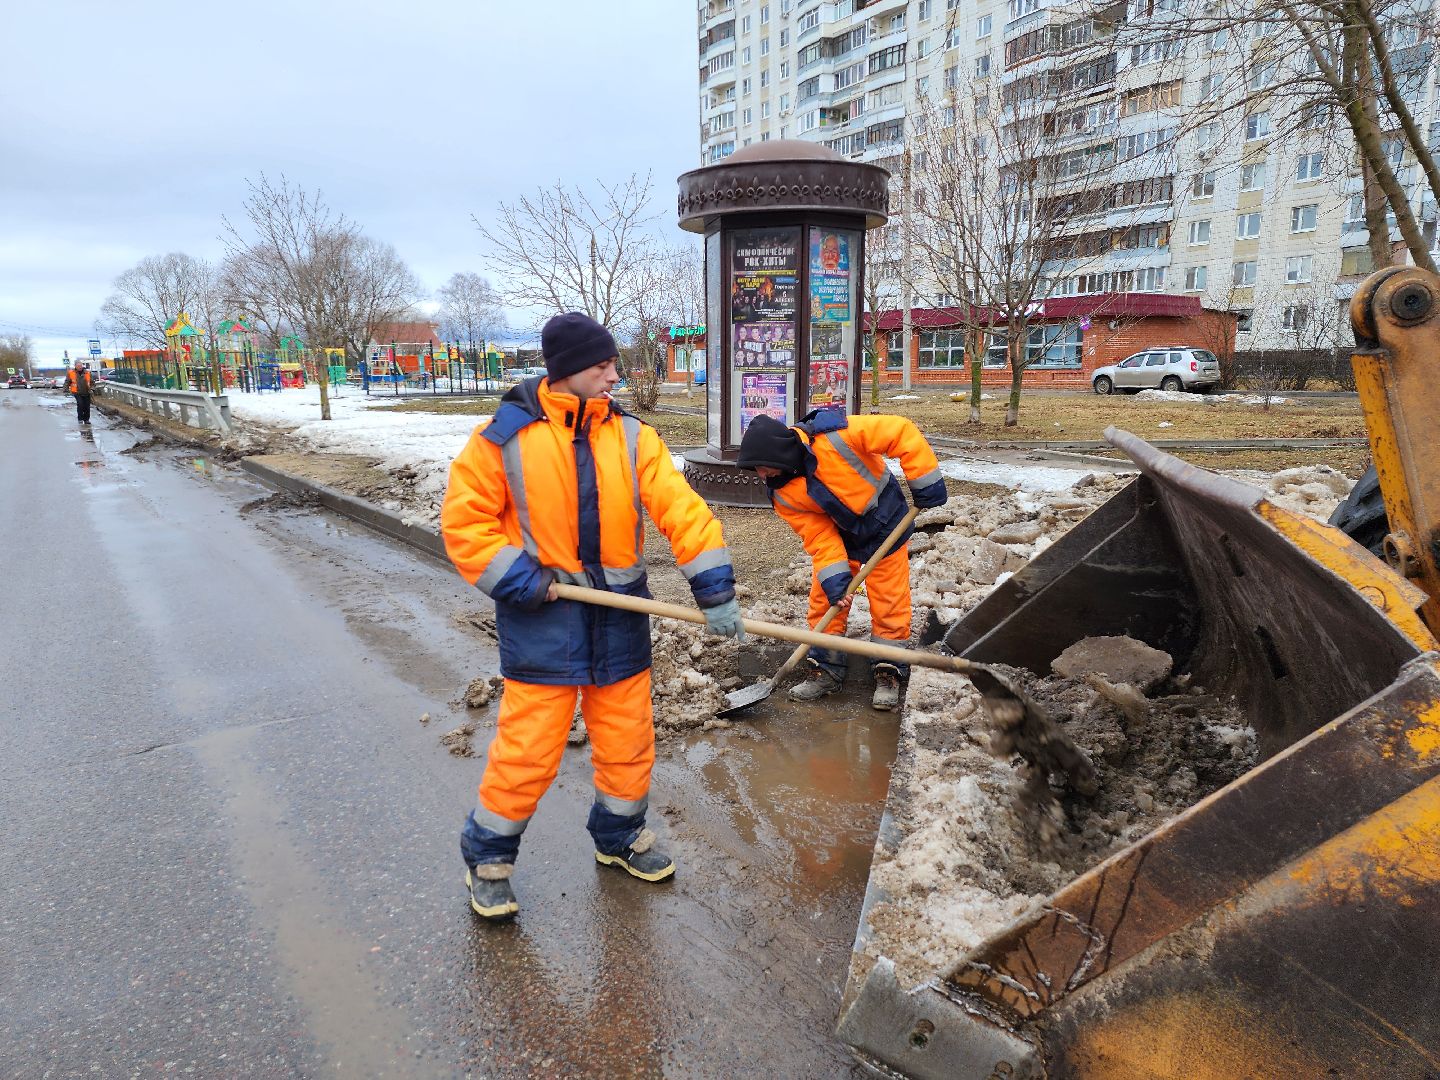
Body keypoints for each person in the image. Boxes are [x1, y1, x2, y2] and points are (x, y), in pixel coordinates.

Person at [441, 311, 747, 921]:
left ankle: (619, 837)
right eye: (602, 364)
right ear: (569, 369)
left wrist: (714, 589)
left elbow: (681, 510)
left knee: (628, 741)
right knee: (529, 748)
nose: (615, 372)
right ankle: (490, 861)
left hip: (620, 617)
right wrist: (528, 581)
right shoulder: (502, 439)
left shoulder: (632, 437)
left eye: (613, 363)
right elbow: (464, 526)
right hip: (543, 620)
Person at [735, 409, 947, 712]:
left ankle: (888, 671)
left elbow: (900, 431)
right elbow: (819, 537)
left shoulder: (836, 434)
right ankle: (826, 669)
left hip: (886, 522)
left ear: (780, 454)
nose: (761, 476)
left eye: (762, 467)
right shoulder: (782, 494)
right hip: (841, 538)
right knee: (826, 599)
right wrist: (836, 580)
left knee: (889, 600)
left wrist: (925, 480)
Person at [65, 360, 93, 425]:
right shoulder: (71, 373)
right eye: (78, 366)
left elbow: (92, 382)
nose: (80, 367)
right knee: (80, 405)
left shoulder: (87, 373)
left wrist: (92, 389)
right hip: (77, 392)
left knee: (87, 406)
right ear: (75, 366)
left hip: (86, 392)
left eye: (81, 366)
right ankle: (80, 419)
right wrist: (65, 389)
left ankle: (86, 420)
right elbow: (67, 382)